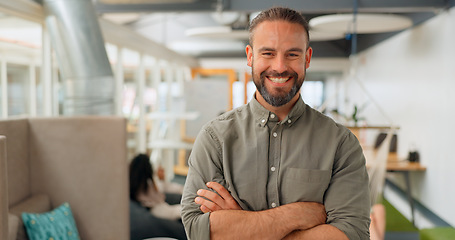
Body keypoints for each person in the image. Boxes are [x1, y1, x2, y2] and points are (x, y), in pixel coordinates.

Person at [181, 6, 371, 240]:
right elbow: (196, 228)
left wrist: (242, 225)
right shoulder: (215, 138)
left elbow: (352, 234)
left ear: (307, 58)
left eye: (292, 54)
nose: (280, 67)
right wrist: (294, 215)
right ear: (250, 56)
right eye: (268, 53)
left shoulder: (341, 144)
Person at [129, 153, 187, 240]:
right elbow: (160, 195)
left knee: (182, 209)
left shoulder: (136, 184)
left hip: (159, 208)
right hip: (158, 209)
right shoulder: (148, 183)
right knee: (184, 209)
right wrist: (160, 196)